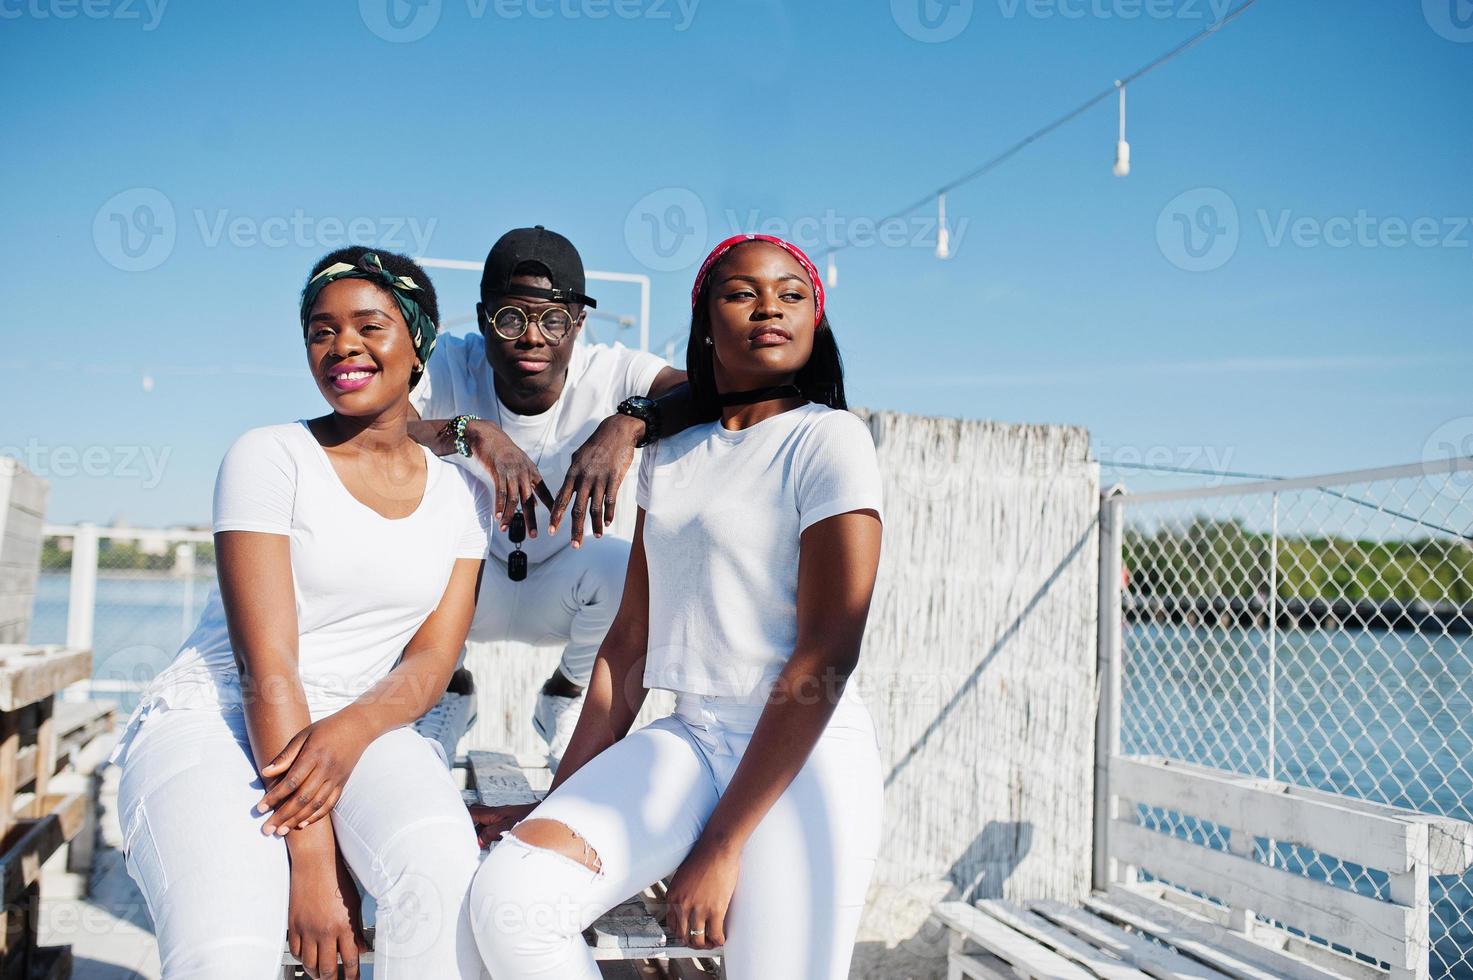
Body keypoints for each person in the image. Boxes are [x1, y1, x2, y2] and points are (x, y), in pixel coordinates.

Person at [465, 234, 885, 979]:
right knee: (509, 897)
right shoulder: (668, 454)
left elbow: (828, 651)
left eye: (791, 295)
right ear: (703, 321)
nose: (768, 309)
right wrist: (556, 799)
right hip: (690, 735)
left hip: (802, 754)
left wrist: (721, 845)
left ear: (815, 321)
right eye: (740, 293)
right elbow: (626, 646)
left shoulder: (829, 440)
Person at [111, 248, 492, 979]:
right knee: (226, 952)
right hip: (220, 716)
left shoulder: (462, 497)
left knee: (442, 873)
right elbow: (267, 665)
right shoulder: (270, 455)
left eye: (369, 325)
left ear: (419, 341)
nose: (341, 345)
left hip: (363, 721)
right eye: (320, 331)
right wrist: (312, 865)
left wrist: (349, 731)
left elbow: (429, 662)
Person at [408, 225, 692, 767]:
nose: (532, 337)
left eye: (553, 319)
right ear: (483, 316)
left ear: (579, 324)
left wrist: (630, 422)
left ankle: (565, 696)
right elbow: (380, 426)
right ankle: (448, 689)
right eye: (511, 318)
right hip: (465, 586)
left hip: (566, 586)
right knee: (411, 542)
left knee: (624, 563)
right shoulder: (447, 361)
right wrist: (474, 433)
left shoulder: (611, 370)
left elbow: (703, 392)